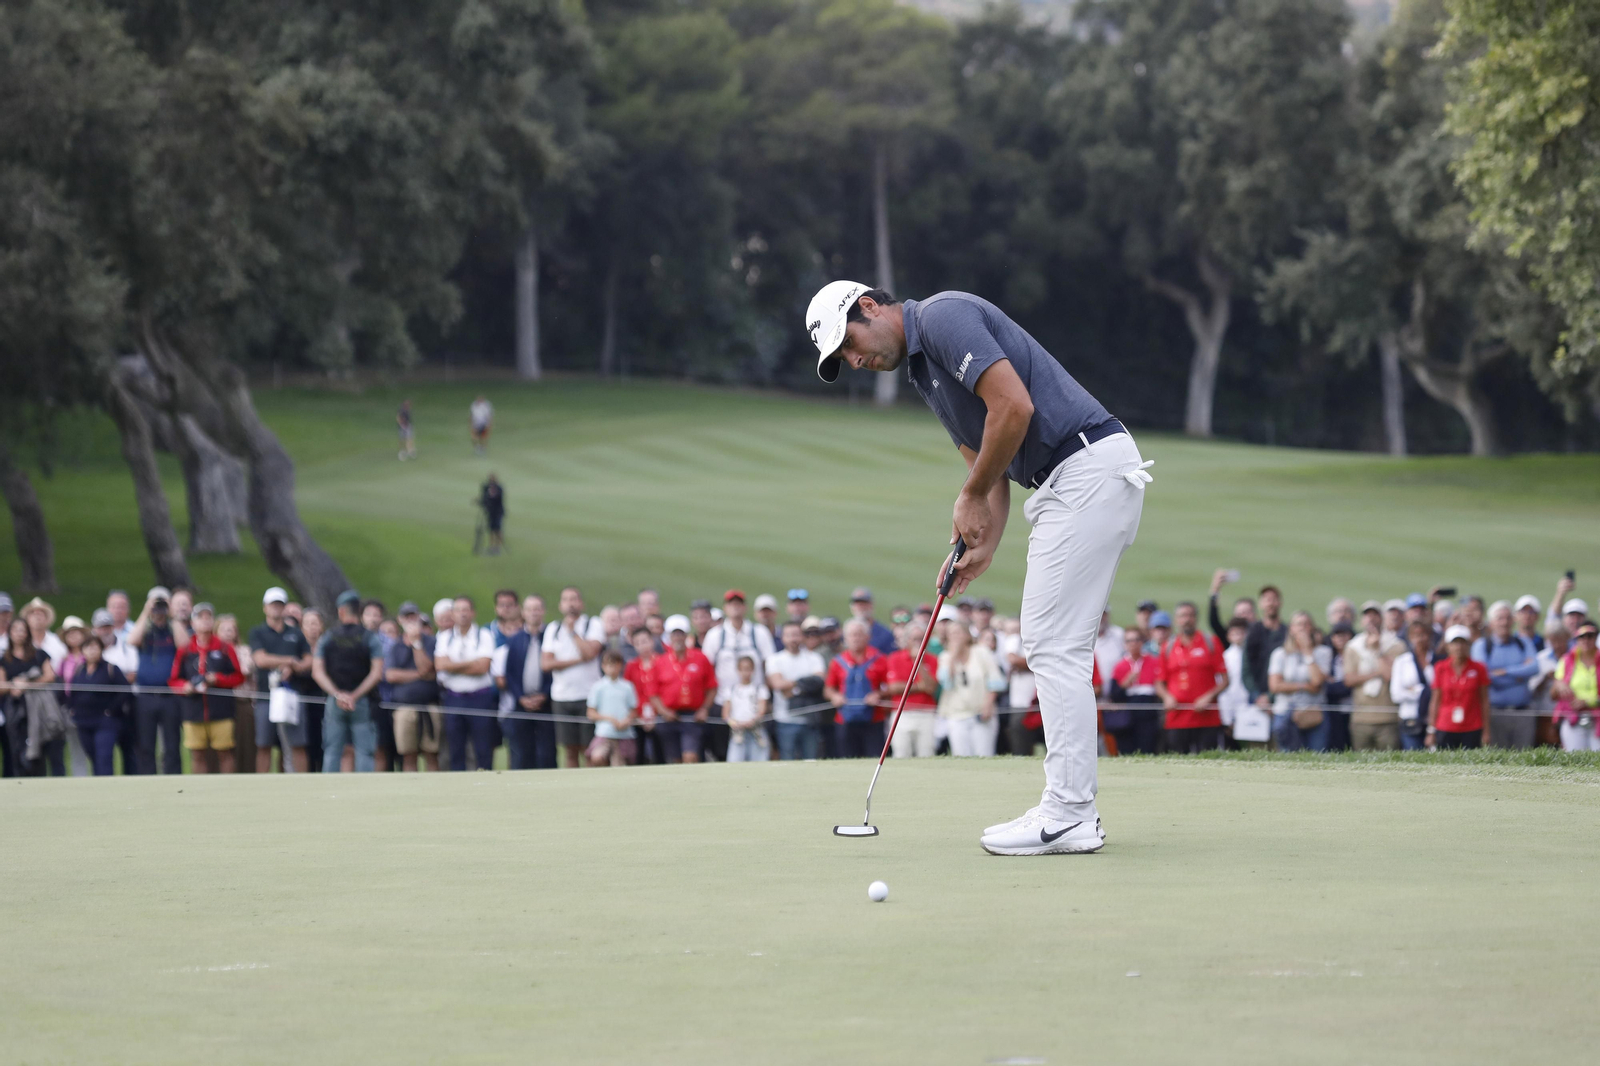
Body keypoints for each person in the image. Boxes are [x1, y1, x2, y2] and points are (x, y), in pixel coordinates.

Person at [311, 592, 385, 773]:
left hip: (335, 702)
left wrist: (338, 695)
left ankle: (329, 788)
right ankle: (364, 789)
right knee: (365, 752)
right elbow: (376, 674)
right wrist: (354, 696)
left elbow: (317, 672)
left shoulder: (328, 637)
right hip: (362, 702)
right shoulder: (369, 638)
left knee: (332, 751)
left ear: (341, 611)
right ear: (359, 611)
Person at [169, 603, 244, 773]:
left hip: (221, 710)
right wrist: (185, 686)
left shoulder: (224, 648)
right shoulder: (185, 650)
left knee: (224, 752)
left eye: (208, 617)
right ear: (193, 623)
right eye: (200, 617)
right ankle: (200, 786)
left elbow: (238, 677)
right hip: (193, 710)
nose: (204, 620)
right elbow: (174, 680)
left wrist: (217, 679)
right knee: (197, 754)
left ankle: (227, 786)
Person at [249, 587, 312, 773]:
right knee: (264, 744)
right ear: (265, 608)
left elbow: (308, 660)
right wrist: (290, 661)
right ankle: (262, 784)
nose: (276, 608)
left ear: (284, 608)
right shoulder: (258, 632)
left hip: (292, 694)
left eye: (279, 605)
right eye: (272, 605)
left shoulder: (296, 633)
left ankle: (300, 782)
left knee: (297, 743)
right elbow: (260, 660)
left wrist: (294, 668)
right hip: (265, 695)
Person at [541, 586, 605, 768]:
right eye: (566, 600)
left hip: (588, 696)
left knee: (589, 749)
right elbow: (546, 664)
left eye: (574, 599)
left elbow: (590, 652)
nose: (570, 604)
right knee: (570, 749)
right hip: (562, 697)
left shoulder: (593, 624)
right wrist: (578, 660)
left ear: (581, 603)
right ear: (560, 605)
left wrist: (572, 632)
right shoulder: (553, 628)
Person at [435, 595, 499, 771]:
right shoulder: (445, 637)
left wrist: (452, 666)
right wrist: (471, 662)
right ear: (453, 614)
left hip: (479, 698)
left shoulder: (484, 635)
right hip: (453, 698)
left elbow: (482, 667)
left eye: (466, 610)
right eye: (458, 610)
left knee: (483, 747)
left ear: (473, 613)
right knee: (455, 748)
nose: (462, 614)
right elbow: (440, 665)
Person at [1154, 601, 1227, 754]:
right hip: (1177, 718)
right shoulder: (1168, 647)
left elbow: (1225, 680)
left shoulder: (1211, 642)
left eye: (1190, 615)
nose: (1187, 619)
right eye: (1182, 616)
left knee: (1208, 761)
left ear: (1196, 618)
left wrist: (1208, 697)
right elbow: (1159, 683)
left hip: (1207, 718)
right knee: (1177, 762)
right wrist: (1167, 697)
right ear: (1176, 620)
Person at [1472, 601, 1540, 748]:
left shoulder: (1523, 642)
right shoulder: (1482, 645)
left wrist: (1505, 671)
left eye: (1508, 618)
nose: (1504, 622)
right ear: (1491, 622)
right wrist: (1520, 676)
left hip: (1523, 711)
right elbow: (1485, 676)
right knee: (1497, 757)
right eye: (1500, 618)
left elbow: (1534, 668)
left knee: (1525, 755)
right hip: (1495, 712)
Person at [1, 617, 63, 776]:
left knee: (41, 746)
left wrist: (28, 684)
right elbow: (2, 685)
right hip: (15, 710)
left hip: (39, 708)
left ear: (28, 633)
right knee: (17, 747)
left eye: (22, 630)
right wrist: (13, 686)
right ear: (10, 633)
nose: (19, 633)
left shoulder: (39, 654)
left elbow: (50, 676)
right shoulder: (4, 658)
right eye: (16, 630)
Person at [499, 595, 554, 771]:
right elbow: (510, 673)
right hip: (521, 705)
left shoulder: (551, 637)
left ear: (543, 611)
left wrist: (544, 695)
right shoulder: (515, 640)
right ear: (523, 612)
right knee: (521, 753)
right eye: (530, 609)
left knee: (546, 754)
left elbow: (554, 671)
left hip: (546, 705)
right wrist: (521, 698)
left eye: (537, 609)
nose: (534, 613)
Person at [387, 603, 442, 772]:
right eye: (406, 617)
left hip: (429, 706)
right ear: (400, 620)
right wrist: (420, 674)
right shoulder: (395, 645)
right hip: (404, 708)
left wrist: (417, 643)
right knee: (408, 755)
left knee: (431, 754)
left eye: (413, 616)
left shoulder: (430, 641)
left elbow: (427, 668)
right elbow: (391, 675)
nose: (410, 620)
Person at [653, 615, 716, 764]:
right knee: (675, 760)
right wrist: (664, 711)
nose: (677, 638)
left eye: (680, 634)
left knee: (690, 756)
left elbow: (712, 687)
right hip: (669, 716)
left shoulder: (700, 658)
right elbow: (653, 693)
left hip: (692, 716)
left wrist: (704, 709)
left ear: (686, 635)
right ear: (669, 637)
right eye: (674, 634)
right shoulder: (660, 661)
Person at [67, 635, 133, 776]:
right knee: (93, 757)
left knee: (104, 757)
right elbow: (73, 692)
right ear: (83, 651)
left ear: (101, 650)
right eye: (88, 647)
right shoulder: (79, 670)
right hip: (83, 721)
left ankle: (106, 784)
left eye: (95, 647)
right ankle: (97, 783)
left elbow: (125, 691)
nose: (92, 651)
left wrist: (111, 710)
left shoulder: (110, 669)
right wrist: (73, 709)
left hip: (105, 722)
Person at [824, 619, 890, 759]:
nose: (856, 638)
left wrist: (878, 694)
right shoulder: (837, 661)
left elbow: (890, 687)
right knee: (846, 759)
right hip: (844, 720)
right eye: (852, 635)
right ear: (845, 638)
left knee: (874, 758)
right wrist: (835, 696)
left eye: (859, 634)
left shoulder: (880, 659)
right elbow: (828, 689)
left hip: (874, 720)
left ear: (868, 637)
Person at [936, 622, 1004, 757]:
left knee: (984, 755)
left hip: (981, 713)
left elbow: (995, 681)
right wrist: (953, 656)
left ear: (967, 635)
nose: (955, 636)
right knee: (961, 756)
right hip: (956, 715)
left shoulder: (981, 652)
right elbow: (946, 683)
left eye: (958, 632)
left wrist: (988, 705)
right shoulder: (945, 657)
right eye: (951, 634)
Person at [1268, 611, 1331, 752]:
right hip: (1285, 713)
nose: (1303, 628)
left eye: (1306, 624)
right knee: (1287, 756)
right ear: (1291, 628)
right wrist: (1305, 686)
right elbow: (1275, 686)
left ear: (1312, 628)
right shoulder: (1280, 654)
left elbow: (1317, 682)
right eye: (1299, 624)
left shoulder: (1323, 652)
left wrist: (1308, 652)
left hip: (1314, 713)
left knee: (1317, 757)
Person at [765, 620, 828, 761]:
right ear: (783, 638)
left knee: (811, 760)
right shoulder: (775, 659)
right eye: (789, 635)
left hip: (810, 720)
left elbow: (819, 681)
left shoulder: (814, 658)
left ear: (802, 636)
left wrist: (794, 688)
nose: (793, 639)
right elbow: (778, 684)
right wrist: (805, 682)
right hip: (785, 720)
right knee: (788, 759)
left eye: (796, 634)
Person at [1344, 601, 1402, 751]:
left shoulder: (1396, 645)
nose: (1371, 619)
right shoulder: (1353, 647)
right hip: (1361, 718)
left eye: (1375, 615)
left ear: (1381, 618)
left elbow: (1390, 676)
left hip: (1387, 718)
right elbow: (1349, 680)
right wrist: (1376, 673)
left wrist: (1377, 651)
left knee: (1390, 760)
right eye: (1367, 615)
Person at [883, 619, 940, 758]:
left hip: (926, 713)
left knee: (927, 754)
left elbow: (930, 688)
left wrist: (919, 661)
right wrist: (920, 686)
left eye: (921, 639)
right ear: (907, 640)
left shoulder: (932, 659)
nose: (918, 643)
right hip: (902, 712)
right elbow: (894, 687)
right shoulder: (895, 658)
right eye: (915, 639)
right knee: (901, 753)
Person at [1430, 625, 1491, 750]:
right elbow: (1435, 700)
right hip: (1445, 725)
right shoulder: (1440, 668)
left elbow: (1484, 701)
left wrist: (1486, 730)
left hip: (1472, 726)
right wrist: (1431, 730)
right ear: (1448, 646)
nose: (1459, 647)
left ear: (1468, 645)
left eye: (1463, 642)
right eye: (1455, 643)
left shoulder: (1479, 668)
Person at [1107, 629, 1161, 757]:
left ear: (1142, 642)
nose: (1133, 644)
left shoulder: (1153, 662)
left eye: (1136, 640)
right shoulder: (1120, 666)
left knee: (1148, 751)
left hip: (1148, 716)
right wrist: (1125, 683)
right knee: (1127, 752)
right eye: (1129, 641)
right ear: (1124, 644)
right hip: (1127, 718)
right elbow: (1114, 695)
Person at [287, 609, 328, 770]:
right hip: (301, 699)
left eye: (315, 623)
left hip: (323, 699)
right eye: (308, 623)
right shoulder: (296, 647)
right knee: (304, 741)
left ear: (321, 626)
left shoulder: (328, 646)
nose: (312, 627)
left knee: (323, 740)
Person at [1550, 623, 1599, 751]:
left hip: (1598, 717)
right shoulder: (1567, 660)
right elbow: (1553, 694)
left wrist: (1588, 702)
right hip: (1573, 716)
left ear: (1596, 638)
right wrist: (1558, 684)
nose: (1586, 640)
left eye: (1590, 636)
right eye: (1582, 637)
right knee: (1574, 756)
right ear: (1576, 640)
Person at [585, 650, 638, 767]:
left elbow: (633, 711)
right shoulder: (598, 687)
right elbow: (591, 713)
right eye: (609, 664)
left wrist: (626, 721)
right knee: (597, 757)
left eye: (615, 664)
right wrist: (610, 719)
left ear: (621, 666)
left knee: (619, 765)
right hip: (604, 733)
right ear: (603, 666)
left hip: (624, 734)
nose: (612, 668)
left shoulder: (627, 687)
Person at [1390, 621, 1436, 751]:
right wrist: (1422, 692)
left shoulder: (1438, 660)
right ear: (1410, 638)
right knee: (1413, 754)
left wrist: (1412, 689)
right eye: (1416, 635)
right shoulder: (1402, 661)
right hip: (1410, 718)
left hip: (1434, 719)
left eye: (1423, 634)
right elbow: (1396, 694)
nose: (1420, 639)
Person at [624, 628, 667, 765]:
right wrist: (637, 715)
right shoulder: (631, 666)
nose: (642, 646)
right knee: (639, 754)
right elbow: (628, 692)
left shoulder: (663, 662)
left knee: (661, 753)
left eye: (644, 641)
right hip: (638, 716)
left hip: (660, 715)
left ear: (652, 641)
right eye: (638, 643)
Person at [1245, 585, 1287, 716]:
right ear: (1261, 604)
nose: (1271, 603)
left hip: (1281, 699)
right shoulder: (1252, 632)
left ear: (1280, 602)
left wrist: (1270, 697)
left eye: (1274, 599)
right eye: (1267, 600)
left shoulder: (1287, 633)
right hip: (1255, 700)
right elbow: (1246, 670)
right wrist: (1258, 696)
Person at [722, 656, 770, 763]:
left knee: (759, 762)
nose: (745, 673)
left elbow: (762, 710)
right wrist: (734, 723)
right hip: (738, 733)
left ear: (753, 670)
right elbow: (725, 714)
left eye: (748, 669)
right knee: (734, 762)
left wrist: (753, 720)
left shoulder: (759, 688)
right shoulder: (731, 689)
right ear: (738, 670)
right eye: (742, 669)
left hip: (756, 731)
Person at [847, 588, 897, 656]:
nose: (861, 607)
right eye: (857, 604)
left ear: (871, 604)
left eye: (864, 603)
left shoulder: (885, 634)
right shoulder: (846, 632)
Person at [20, 597, 67, 665]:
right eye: (33, 613)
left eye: (40, 613)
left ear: (47, 619)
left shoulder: (58, 642)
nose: (37, 617)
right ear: (27, 619)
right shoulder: (19, 641)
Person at [478, 474, 506, 555]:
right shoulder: (487, 488)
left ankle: (498, 547)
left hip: (498, 512)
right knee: (491, 530)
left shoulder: (498, 488)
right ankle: (492, 547)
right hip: (491, 512)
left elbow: (497, 498)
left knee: (498, 529)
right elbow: (485, 499)